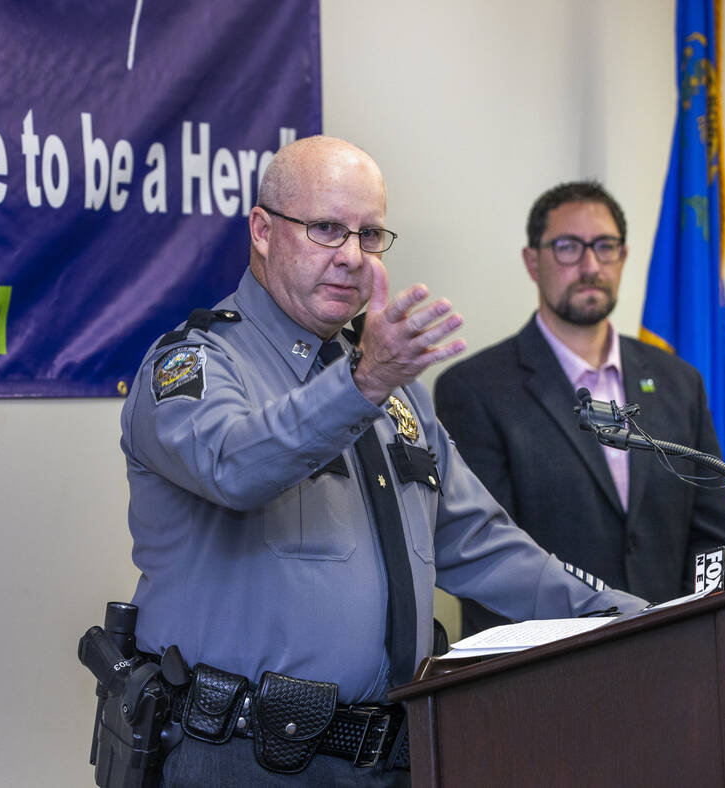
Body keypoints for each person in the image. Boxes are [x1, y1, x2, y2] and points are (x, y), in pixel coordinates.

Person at [119, 139, 645, 786]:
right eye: (325, 229)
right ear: (262, 231)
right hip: (242, 759)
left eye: (369, 235)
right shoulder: (195, 364)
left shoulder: (388, 386)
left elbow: (483, 545)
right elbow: (236, 467)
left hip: (391, 758)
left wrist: (635, 619)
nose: (350, 257)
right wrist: (364, 383)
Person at [434, 180, 725, 637]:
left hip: (678, 656)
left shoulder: (680, 382)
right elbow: (484, 554)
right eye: (568, 247)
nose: (590, 265)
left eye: (605, 246)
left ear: (623, 256)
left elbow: (713, 536)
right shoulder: (473, 389)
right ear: (532, 261)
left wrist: (695, 629)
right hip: (544, 671)